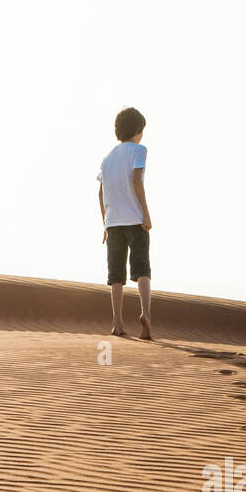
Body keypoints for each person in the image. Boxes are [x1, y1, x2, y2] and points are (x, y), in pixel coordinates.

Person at [97, 106, 152, 339]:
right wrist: (146, 214)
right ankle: (146, 314)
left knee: (116, 275)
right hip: (135, 221)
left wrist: (105, 223)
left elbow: (100, 192)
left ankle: (117, 323)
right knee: (142, 270)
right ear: (138, 131)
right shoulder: (139, 150)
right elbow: (137, 180)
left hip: (113, 223)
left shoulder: (107, 158)